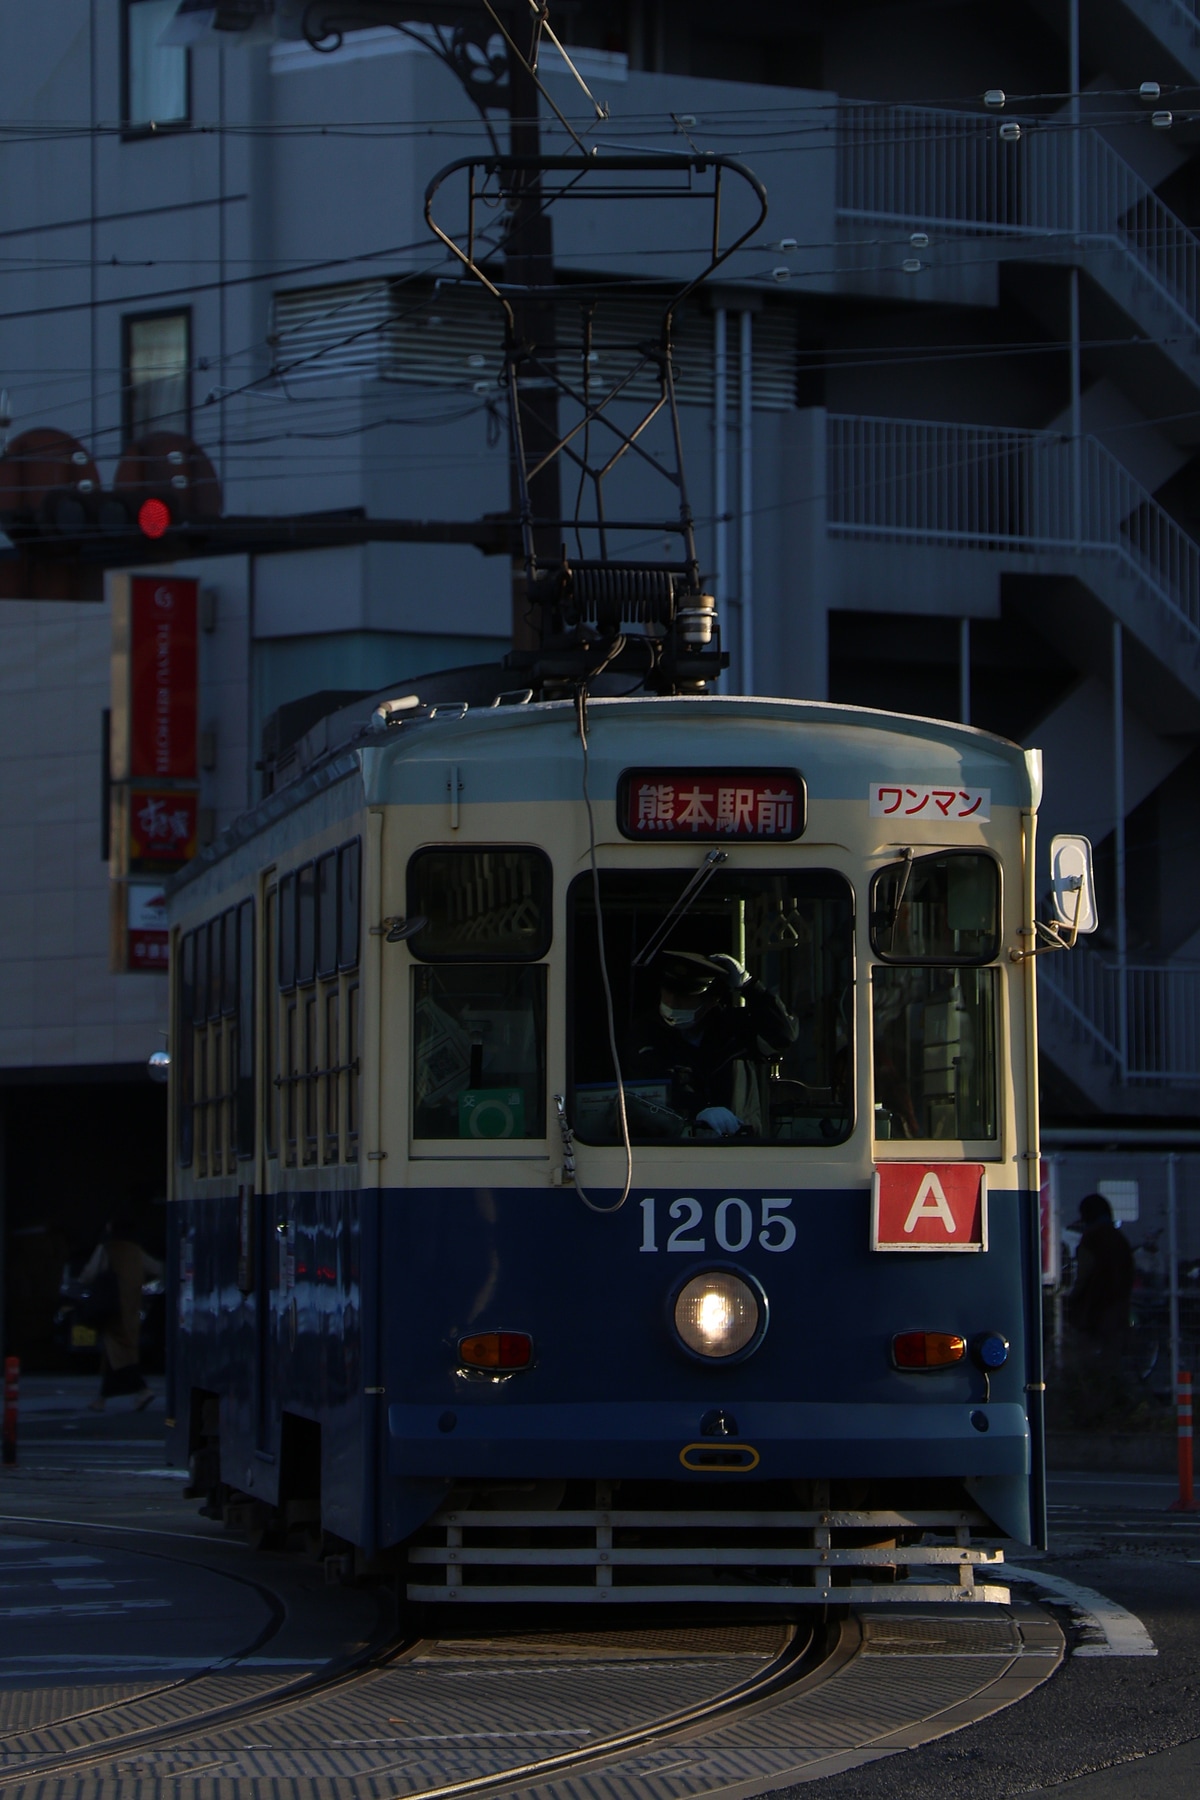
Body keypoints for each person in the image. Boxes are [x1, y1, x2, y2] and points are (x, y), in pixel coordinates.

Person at [629, 950, 799, 1137]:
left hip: (739, 1144)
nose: (672, 1003)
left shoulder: (734, 1029)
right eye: (667, 993)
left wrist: (750, 986)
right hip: (675, 1147)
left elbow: (784, 1035)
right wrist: (696, 1111)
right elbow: (647, 1086)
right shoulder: (646, 1031)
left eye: (684, 998)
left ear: (711, 1000)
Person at [78, 1216, 164, 1413]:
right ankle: (101, 1399)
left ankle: (142, 1389)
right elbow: (157, 1269)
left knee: (119, 1352)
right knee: (116, 1352)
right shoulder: (135, 1251)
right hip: (131, 1307)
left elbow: (89, 1273)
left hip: (111, 1307)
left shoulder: (108, 1249)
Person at [1064, 1192, 1134, 1418]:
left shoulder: (1091, 1238)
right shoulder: (1119, 1239)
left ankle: (1088, 1410)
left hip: (1092, 1310)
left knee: (1084, 1363)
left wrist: (1073, 1297)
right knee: (1111, 1363)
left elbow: (1084, 1273)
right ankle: (1113, 1407)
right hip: (1118, 1309)